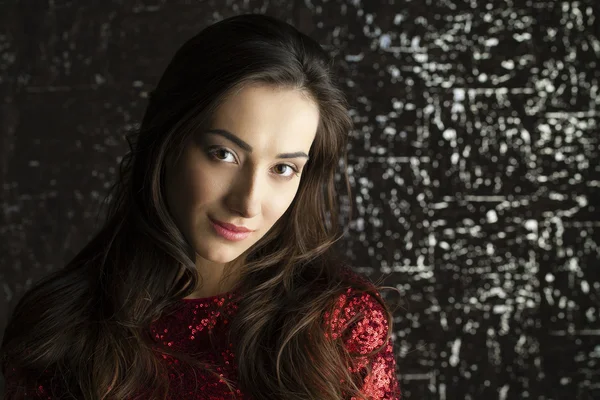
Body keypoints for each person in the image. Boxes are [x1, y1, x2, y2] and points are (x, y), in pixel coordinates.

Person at [1, 13, 401, 400]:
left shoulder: (340, 325)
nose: (247, 202)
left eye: (282, 168)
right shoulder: (61, 332)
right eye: (224, 154)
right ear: (169, 141)